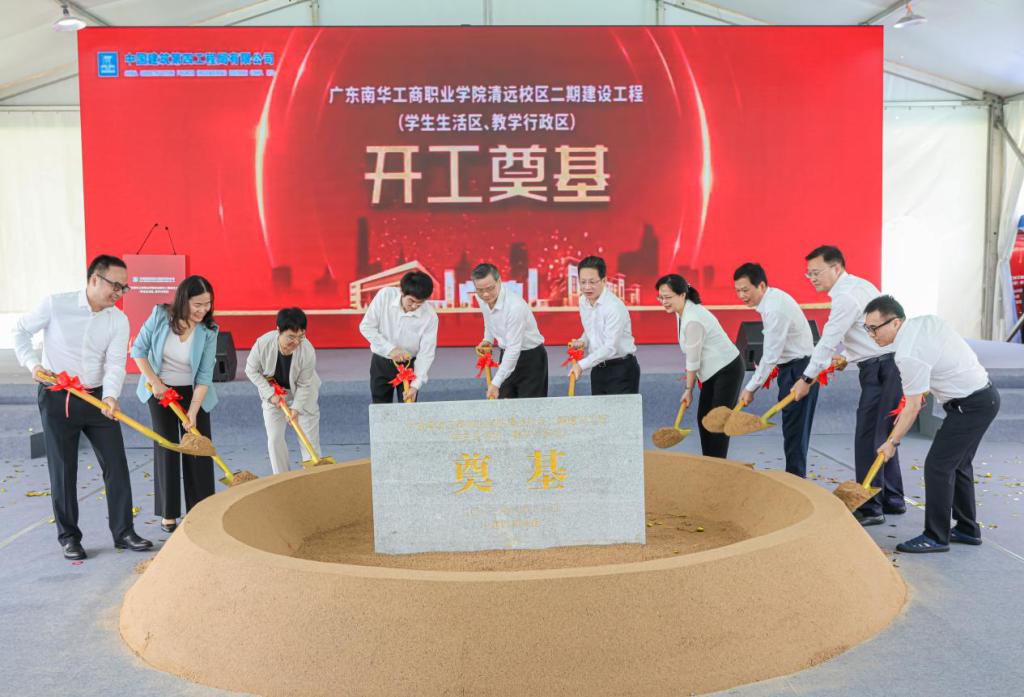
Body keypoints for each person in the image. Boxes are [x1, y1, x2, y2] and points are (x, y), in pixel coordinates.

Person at [12, 255, 152, 560]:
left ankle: (124, 532)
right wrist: (33, 364)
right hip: (57, 397)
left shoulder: (118, 320)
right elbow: (20, 331)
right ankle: (69, 537)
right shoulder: (55, 305)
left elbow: (115, 363)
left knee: (116, 464)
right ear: (94, 279)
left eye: (124, 288)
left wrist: (111, 396)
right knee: (63, 469)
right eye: (116, 285)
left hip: (97, 398)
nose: (119, 293)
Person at [865, 295, 1000, 553]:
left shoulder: (908, 354)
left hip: (970, 406)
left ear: (895, 323)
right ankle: (967, 529)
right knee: (958, 464)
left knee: (938, 466)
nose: (871, 334)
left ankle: (935, 536)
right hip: (984, 397)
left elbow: (913, 406)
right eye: (867, 328)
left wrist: (892, 442)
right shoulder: (925, 322)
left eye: (874, 328)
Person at [792, 245, 904, 526]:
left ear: (836, 268)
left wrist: (806, 379)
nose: (812, 278)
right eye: (808, 274)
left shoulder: (844, 297)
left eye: (816, 272)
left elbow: (828, 341)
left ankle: (870, 507)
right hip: (889, 364)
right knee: (884, 433)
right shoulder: (861, 285)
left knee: (868, 436)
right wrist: (849, 356)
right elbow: (868, 335)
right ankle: (892, 498)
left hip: (881, 369)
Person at [131, 275, 219, 534]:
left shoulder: (209, 330)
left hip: (194, 392)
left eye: (208, 304)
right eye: (197, 305)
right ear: (183, 300)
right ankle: (168, 513)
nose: (203, 310)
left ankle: (200, 510)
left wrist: (193, 411)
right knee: (167, 446)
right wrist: (155, 383)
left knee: (198, 447)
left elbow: (205, 376)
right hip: (159, 390)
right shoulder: (160, 315)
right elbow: (138, 350)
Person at [733, 262, 818, 477]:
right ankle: (794, 477)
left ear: (761, 285)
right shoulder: (772, 300)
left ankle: (796, 481)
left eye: (745, 290)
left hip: (799, 370)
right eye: (738, 291)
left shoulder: (775, 309)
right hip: (790, 367)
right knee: (792, 429)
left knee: (795, 431)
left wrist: (750, 388)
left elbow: (771, 354)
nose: (741, 296)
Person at [656, 273, 744, 458]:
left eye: (668, 297)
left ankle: (718, 467)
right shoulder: (681, 311)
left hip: (727, 369)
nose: (664, 302)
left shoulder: (693, 319)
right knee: (704, 419)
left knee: (717, 422)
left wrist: (688, 389)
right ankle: (709, 462)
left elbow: (693, 360)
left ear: (682, 295)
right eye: (661, 297)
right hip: (711, 372)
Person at [246, 308, 322, 474]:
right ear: (278, 330)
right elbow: (251, 371)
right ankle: (282, 478)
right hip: (273, 392)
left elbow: (304, 384)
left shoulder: (307, 350)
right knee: (274, 439)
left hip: (304, 394)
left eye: (301, 336)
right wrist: (270, 394)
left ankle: (313, 478)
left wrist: (296, 408)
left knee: (308, 439)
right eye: (291, 337)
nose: (296, 342)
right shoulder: (262, 344)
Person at [359, 271, 438, 404]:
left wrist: (415, 385)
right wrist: (391, 349)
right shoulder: (385, 296)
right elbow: (366, 327)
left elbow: (426, 353)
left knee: (408, 409)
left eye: (419, 303)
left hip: (409, 366)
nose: (414, 306)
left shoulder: (430, 316)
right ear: (402, 291)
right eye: (411, 301)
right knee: (380, 407)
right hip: (381, 362)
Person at [473, 263, 548, 399]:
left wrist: (495, 383)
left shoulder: (515, 307)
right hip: (506, 355)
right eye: (480, 290)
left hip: (531, 359)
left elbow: (514, 349)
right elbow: (488, 318)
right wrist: (488, 340)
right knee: (505, 406)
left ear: (499, 281)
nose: (485, 294)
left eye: (490, 288)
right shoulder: (482, 297)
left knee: (531, 409)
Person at [569, 256, 640, 395]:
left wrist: (581, 365)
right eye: (583, 282)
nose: (587, 287)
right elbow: (591, 328)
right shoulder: (583, 301)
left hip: (621, 370)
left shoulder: (614, 307)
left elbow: (610, 348)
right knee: (599, 409)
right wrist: (583, 341)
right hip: (598, 368)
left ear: (604, 281)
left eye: (592, 282)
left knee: (620, 410)